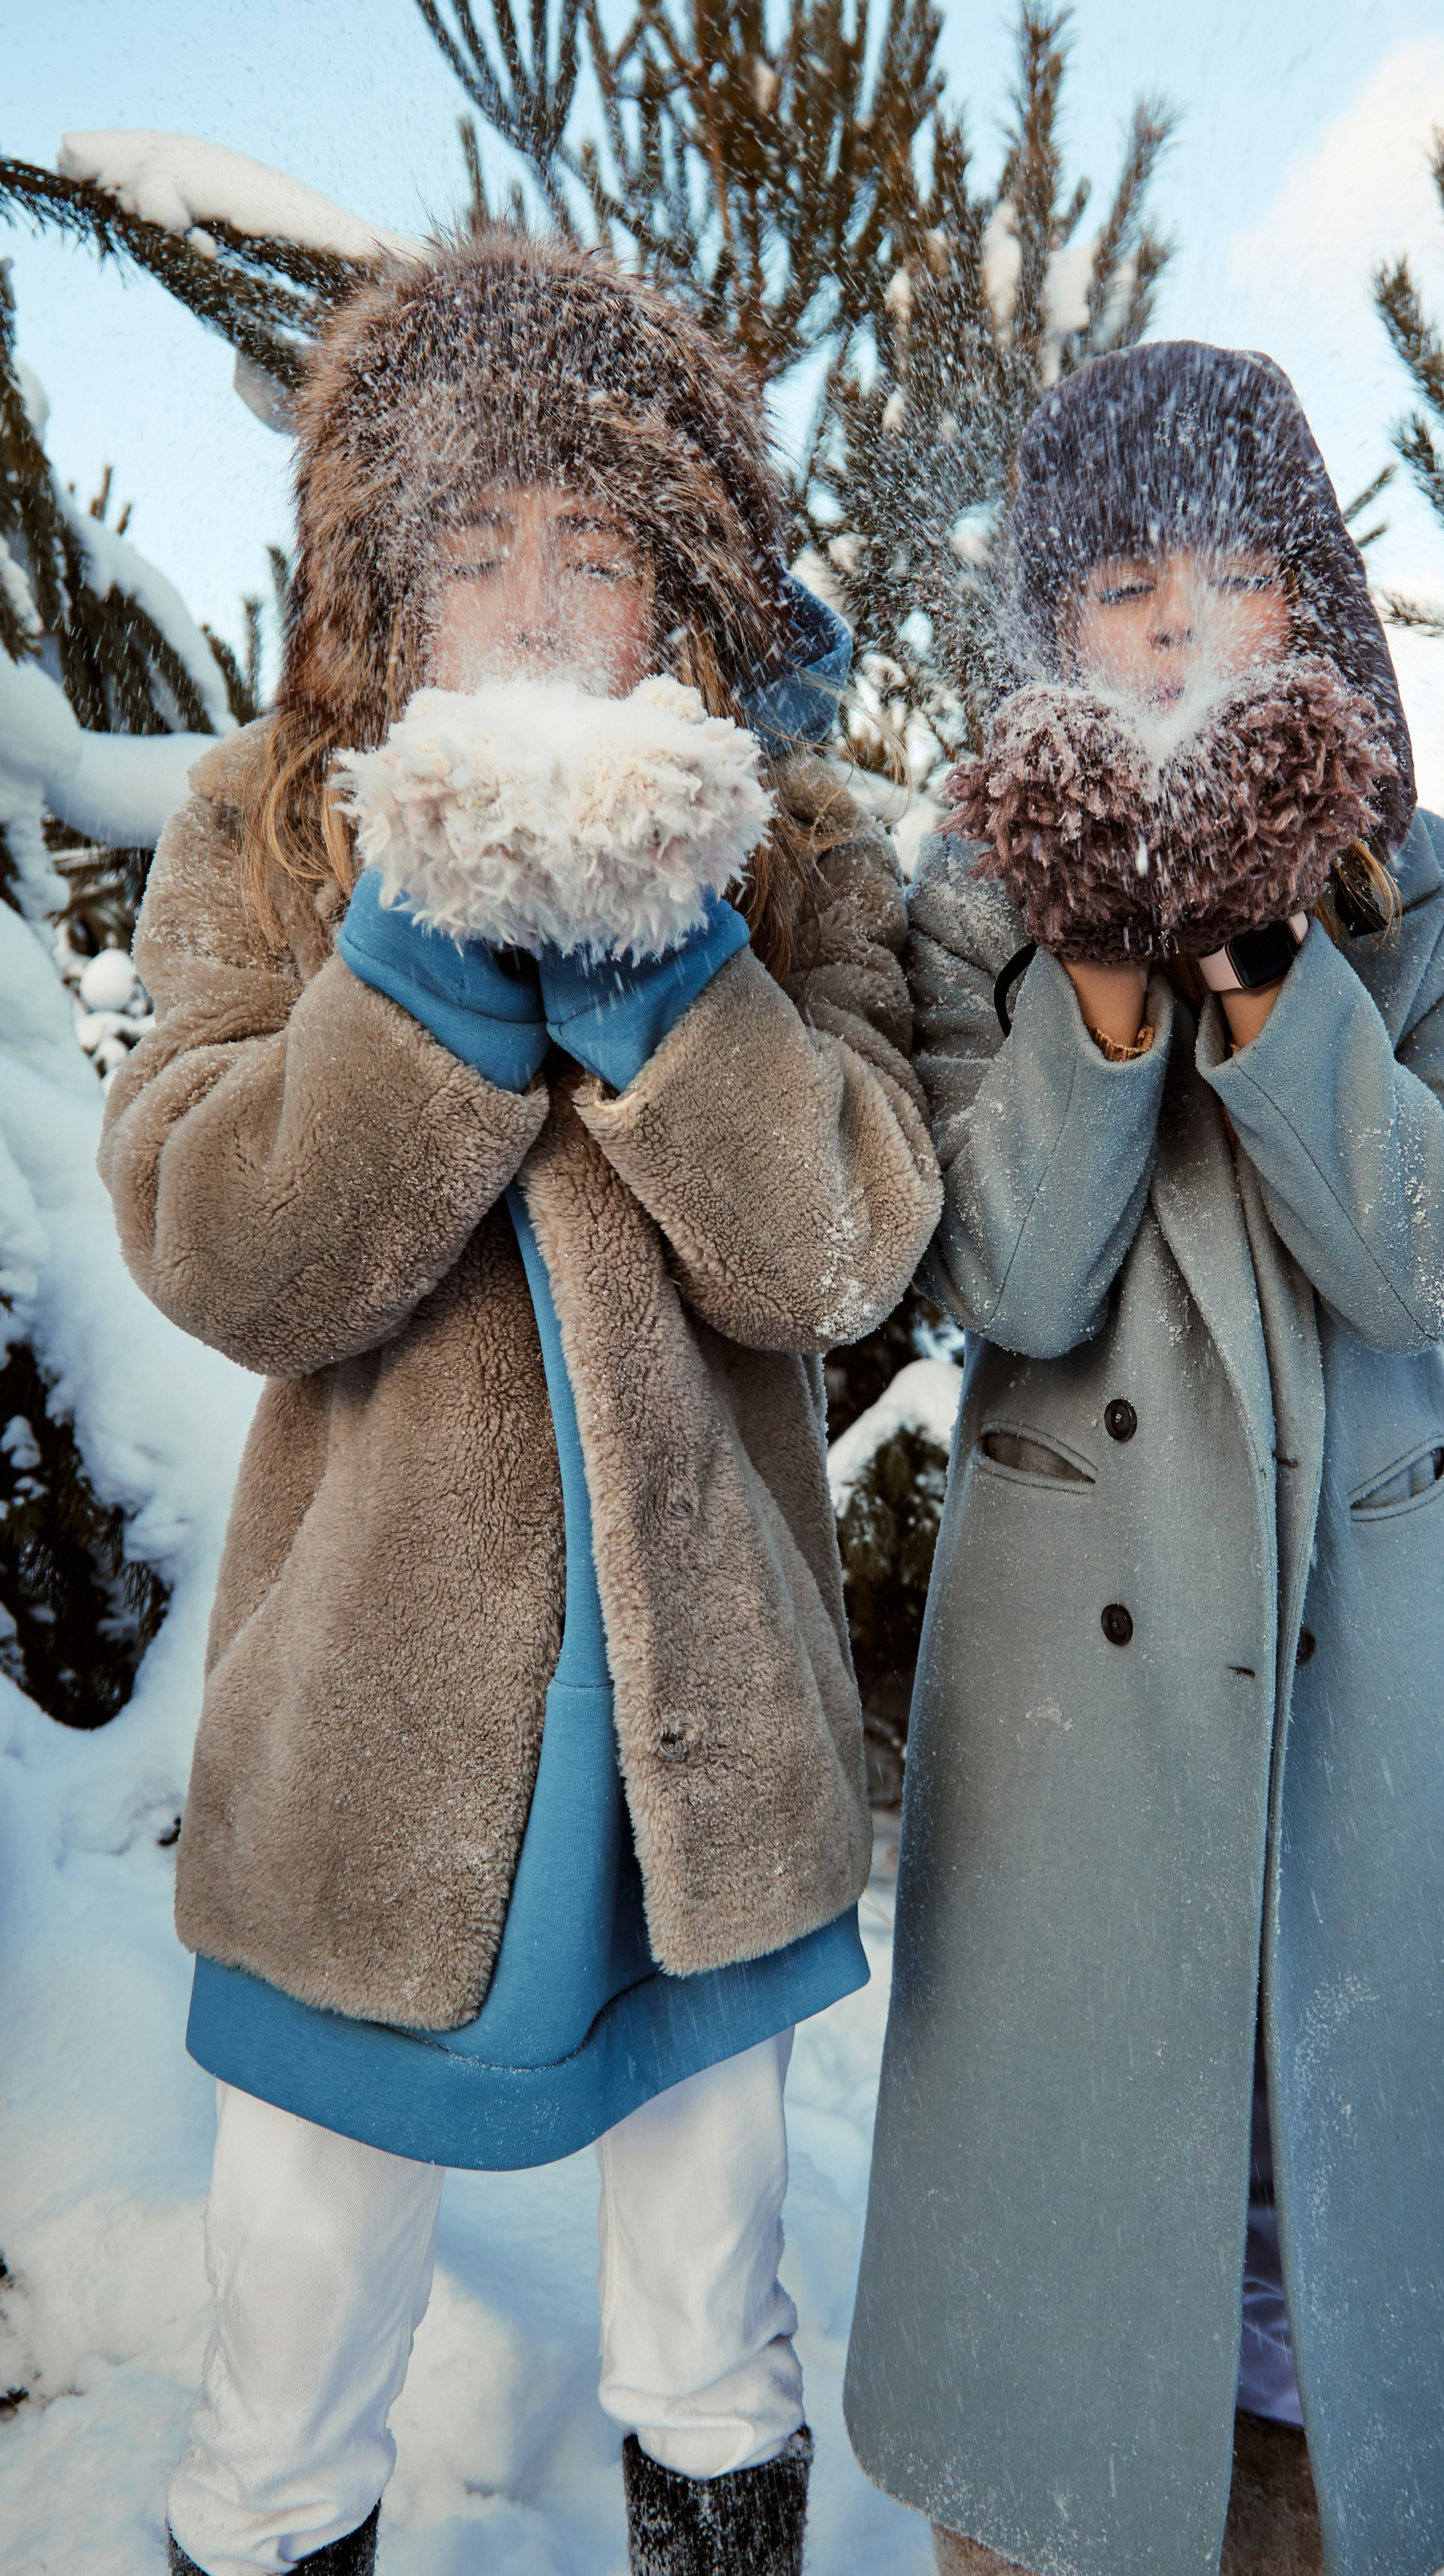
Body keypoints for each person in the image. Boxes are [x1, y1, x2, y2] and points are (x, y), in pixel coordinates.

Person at [99, 230, 941, 2576]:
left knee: (709, 2318)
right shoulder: (270, 838)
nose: (544, 612)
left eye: (599, 553)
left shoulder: (794, 856)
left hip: (703, 1741)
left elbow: (851, 1247)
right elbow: (233, 1248)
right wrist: (427, 967)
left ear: (684, 590)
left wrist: (678, 971)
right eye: (478, 552)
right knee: (292, 2352)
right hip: (370, 1751)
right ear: (385, 587)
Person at [841, 341, 1444, 2576]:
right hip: (1079, 1701)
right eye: (1130, 583)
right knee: (1095, 2185)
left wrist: (1271, 958)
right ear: (1056, 625)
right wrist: (1098, 973)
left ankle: (1305, 2483)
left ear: (1322, 609)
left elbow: (1443, 1260)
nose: (1184, 631)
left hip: (1343, 1657)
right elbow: (1009, 1272)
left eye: (1247, 575)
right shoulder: (976, 898)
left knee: (1317, 2157)